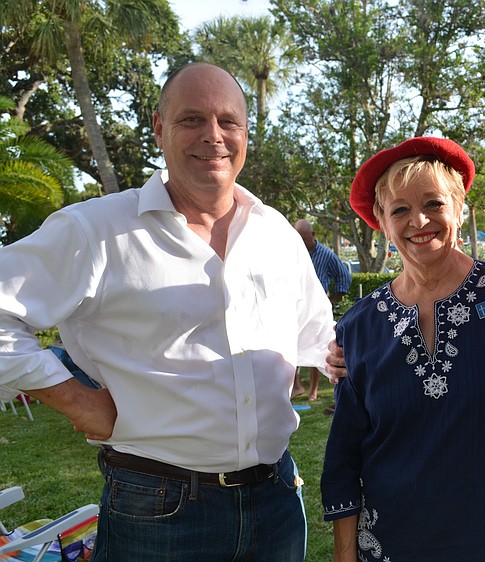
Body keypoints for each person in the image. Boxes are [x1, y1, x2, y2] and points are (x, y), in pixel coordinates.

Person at [0, 62, 335, 562]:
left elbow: (321, 339)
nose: (213, 136)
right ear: (159, 127)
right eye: (192, 120)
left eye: (228, 121)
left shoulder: (277, 234)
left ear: (246, 132)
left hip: (277, 499)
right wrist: (79, 402)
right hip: (159, 506)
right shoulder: (97, 231)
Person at [321, 137, 485, 562]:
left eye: (434, 203)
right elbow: (345, 454)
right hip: (392, 545)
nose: (419, 220)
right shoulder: (359, 326)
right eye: (399, 209)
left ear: (460, 208)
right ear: (382, 223)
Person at [291, 219, 351, 402]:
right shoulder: (291, 255)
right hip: (295, 305)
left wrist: (330, 300)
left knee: (317, 345)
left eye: (304, 238)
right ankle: (297, 386)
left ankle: (313, 390)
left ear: (313, 235)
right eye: (297, 238)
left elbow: (344, 277)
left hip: (318, 307)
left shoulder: (325, 254)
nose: (301, 242)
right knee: (291, 346)